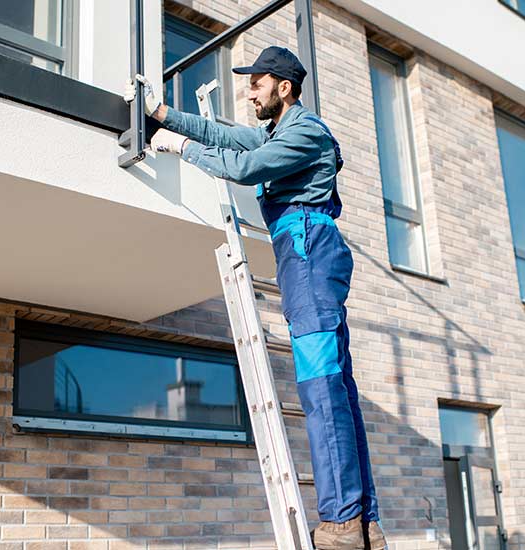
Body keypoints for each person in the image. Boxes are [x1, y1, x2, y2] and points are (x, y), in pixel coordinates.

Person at [125, 46, 386, 550]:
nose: (249, 91)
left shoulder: (306, 131)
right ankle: (361, 521)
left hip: (308, 247)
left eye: (256, 83)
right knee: (336, 388)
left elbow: (247, 168)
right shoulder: (281, 130)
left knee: (320, 385)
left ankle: (341, 521)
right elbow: (229, 136)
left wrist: (181, 149)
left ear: (284, 87)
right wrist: (162, 116)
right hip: (305, 248)